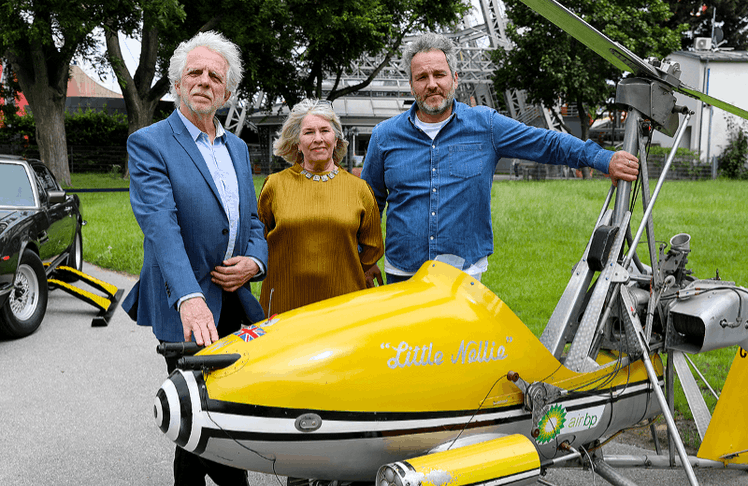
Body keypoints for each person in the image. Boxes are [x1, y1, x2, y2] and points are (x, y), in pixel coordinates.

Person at [361, 33, 640, 284]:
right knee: (409, 343)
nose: (432, 84)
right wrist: (365, 258)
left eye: (439, 74)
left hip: (464, 273)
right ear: (411, 85)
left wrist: (603, 158)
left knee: (461, 343)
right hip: (403, 273)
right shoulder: (385, 135)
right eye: (422, 77)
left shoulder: (486, 126)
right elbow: (369, 203)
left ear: (455, 79)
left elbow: (546, 142)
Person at [122, 31, 267, 486]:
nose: (204, 81)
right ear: (178, 83)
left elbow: (254, 222)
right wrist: (188, 296)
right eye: (195, 73)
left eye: (214, 76)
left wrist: (254, 263)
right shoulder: (150, 143)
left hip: (235, 302)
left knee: (200, 424)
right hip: (188, 308)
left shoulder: (238, 148)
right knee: (211, 419)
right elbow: (160, 226)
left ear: (227, 92)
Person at [258, 98, 384, 316]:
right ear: (296, 142)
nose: (318, 139)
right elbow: (258, 239)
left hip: (343, 302)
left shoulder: (359, 189)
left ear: (335, 139)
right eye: (308, 132)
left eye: (325, 131)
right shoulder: (275, 186)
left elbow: (372, 246)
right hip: (285, 302)